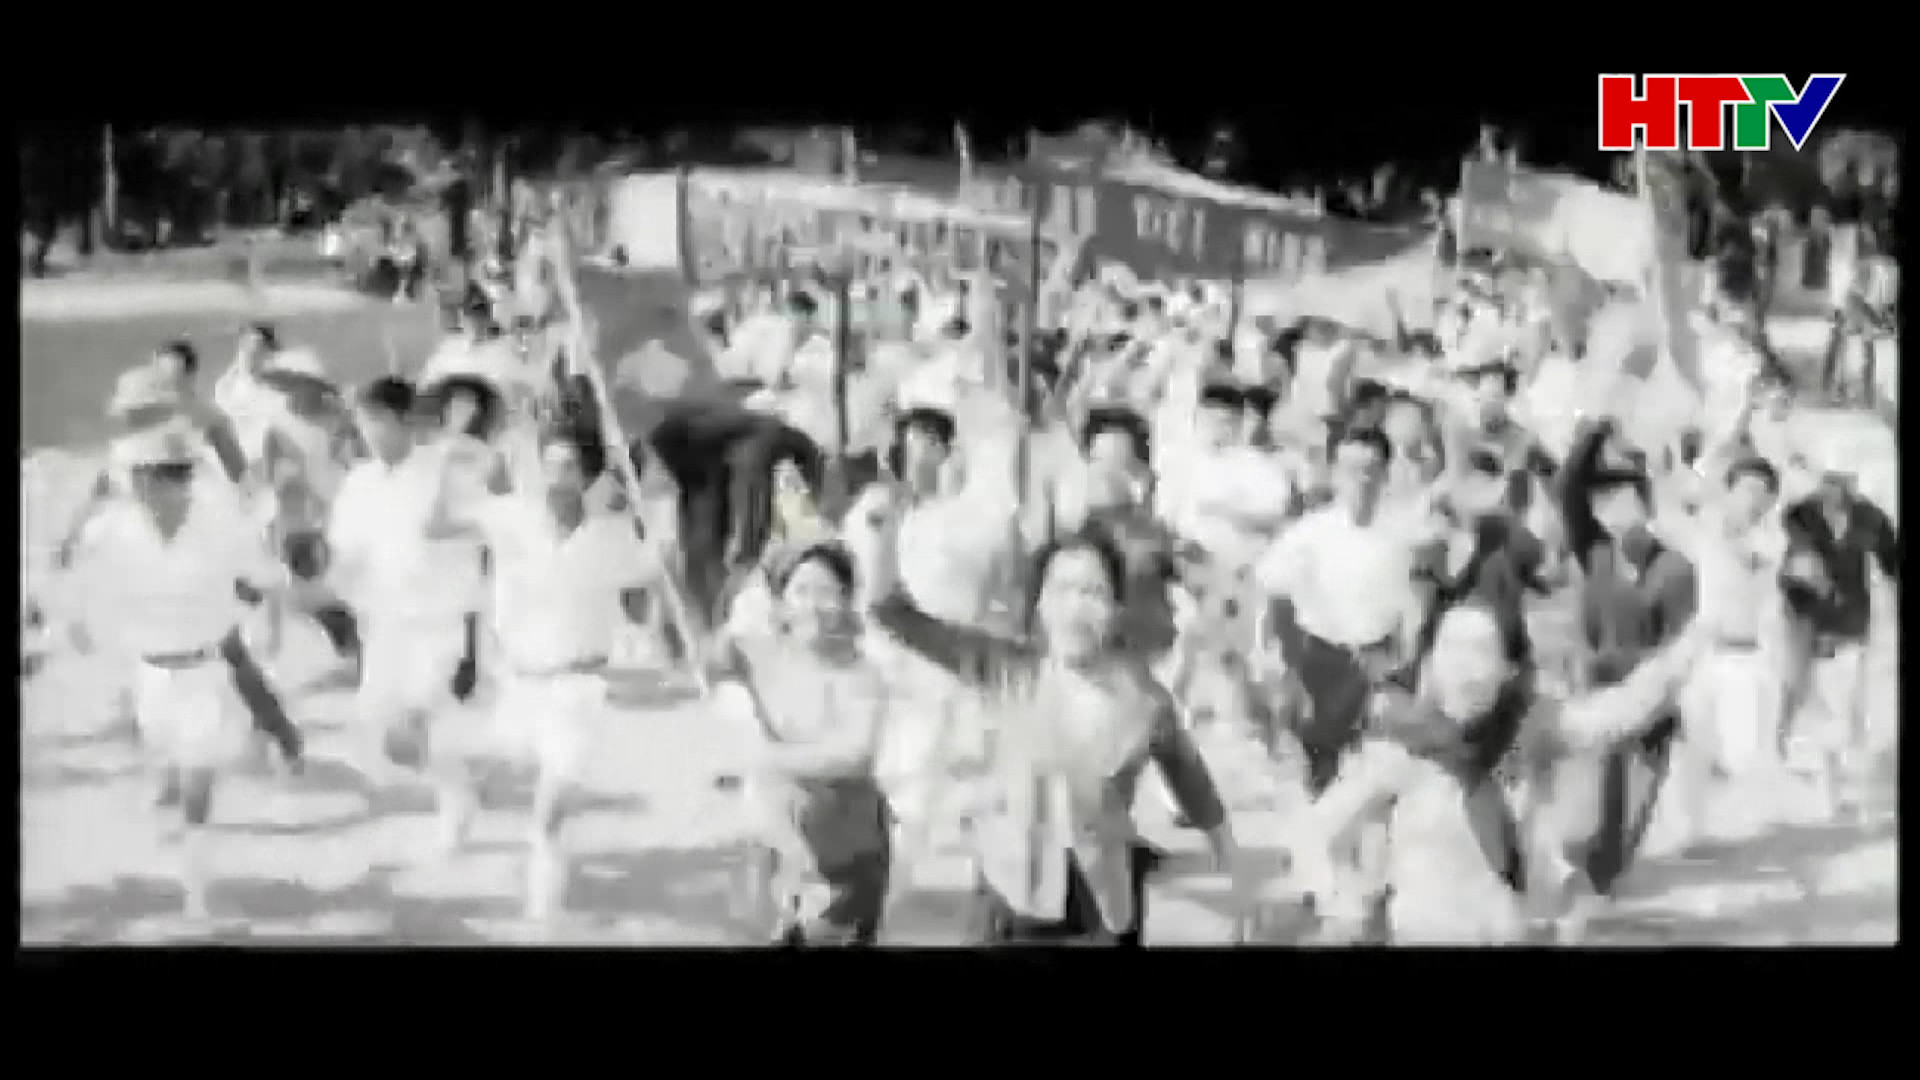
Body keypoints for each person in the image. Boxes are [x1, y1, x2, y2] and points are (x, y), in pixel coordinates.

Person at [855, 515, 1250, 946]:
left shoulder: (1145, 701)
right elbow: (896, 617)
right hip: (1015, 896)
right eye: (1062, 590)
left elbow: (1188, 774)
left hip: (1105, 903)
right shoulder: (1008, 672)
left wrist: (1228, 853)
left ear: (1117, 609)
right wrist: (882, 536)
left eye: (1093, 592)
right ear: (1040, 605)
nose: (1076, 608)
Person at [1283, 593, 1717, 944]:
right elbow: (1314, 832)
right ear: (1430, 663)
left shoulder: (1532, 730)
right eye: (1450, 647)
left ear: (1508, 670)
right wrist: (1345, 904)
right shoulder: (1401, 746)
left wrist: (1692, 644)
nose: (1463, 665)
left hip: (1510, 931)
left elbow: (1618, 713)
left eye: (1479, 650)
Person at [424, 423, 660, 922]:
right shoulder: (510, 515)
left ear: (588, 477)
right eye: (548, 465)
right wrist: (448, 465)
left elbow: (641, 603)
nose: (555, 477)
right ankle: (463, 804)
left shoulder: (612, 534)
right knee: (458, 757)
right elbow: (437, 526)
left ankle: (542, 914)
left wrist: (651, 531)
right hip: (517, 683)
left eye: (568, 467)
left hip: (580, 688)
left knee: (548, 815)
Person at [64, 422, 290, 925]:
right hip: (147, 673)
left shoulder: (221, 527)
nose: (147, 488)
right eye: (139, 477)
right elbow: (78, 580)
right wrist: (77, 625)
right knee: (167, 761)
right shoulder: (112, 531)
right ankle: (174, 799)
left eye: (160, 477)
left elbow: (268, 576)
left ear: (181, 479)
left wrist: (249, 603)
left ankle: (196, 891)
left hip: (204, 671)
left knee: (197, 783)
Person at [706, 541, 892, 945]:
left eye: (827, 593)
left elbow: (856, 756)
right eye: (801, 591)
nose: (814, 606)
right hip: (776, 851)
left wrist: (769, 759)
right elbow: (714, 657)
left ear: (847, 600)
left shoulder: (863, 674)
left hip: (842, 854)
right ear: (781, 603)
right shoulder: (766, 654)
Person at [326, 377, 475, 851]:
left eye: (378, 421)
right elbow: (345, 550)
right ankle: (457, 783)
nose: (369, 432)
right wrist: (334, 583)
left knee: (417, 717)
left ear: (404, 420)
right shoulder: (359, 483)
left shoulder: (444, 471)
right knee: (381, 727)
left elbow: (480, 530)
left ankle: (454, 804)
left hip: (436, 620)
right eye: (364, 422)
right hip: (383, 623)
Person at [1552, 416, 1698, 889]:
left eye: (1625, 498)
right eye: (1604, 501)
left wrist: (1653, 689)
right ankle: (1584, 890)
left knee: (1630, 818)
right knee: (1588, 812)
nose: (1613, 509)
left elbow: (1680, 647)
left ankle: (1605, 886)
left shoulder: (1675, 568)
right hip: (1596, 696)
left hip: (1650, 704)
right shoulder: (1593, 550)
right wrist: (1595, 434)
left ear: (1646, 504)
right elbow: (1567, 487)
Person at [1778, 470, 1899, 818]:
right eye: (1828, 482)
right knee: (1811, 700)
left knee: (1845, 710)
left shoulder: (1868, 519)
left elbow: (1891, 564)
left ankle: (1837, 785)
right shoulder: (1801, 517)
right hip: (1804, 623)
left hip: (1850, 626)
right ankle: (1816, 778)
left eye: (1842, 482)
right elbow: (1793, 568)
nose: (1834, 489)